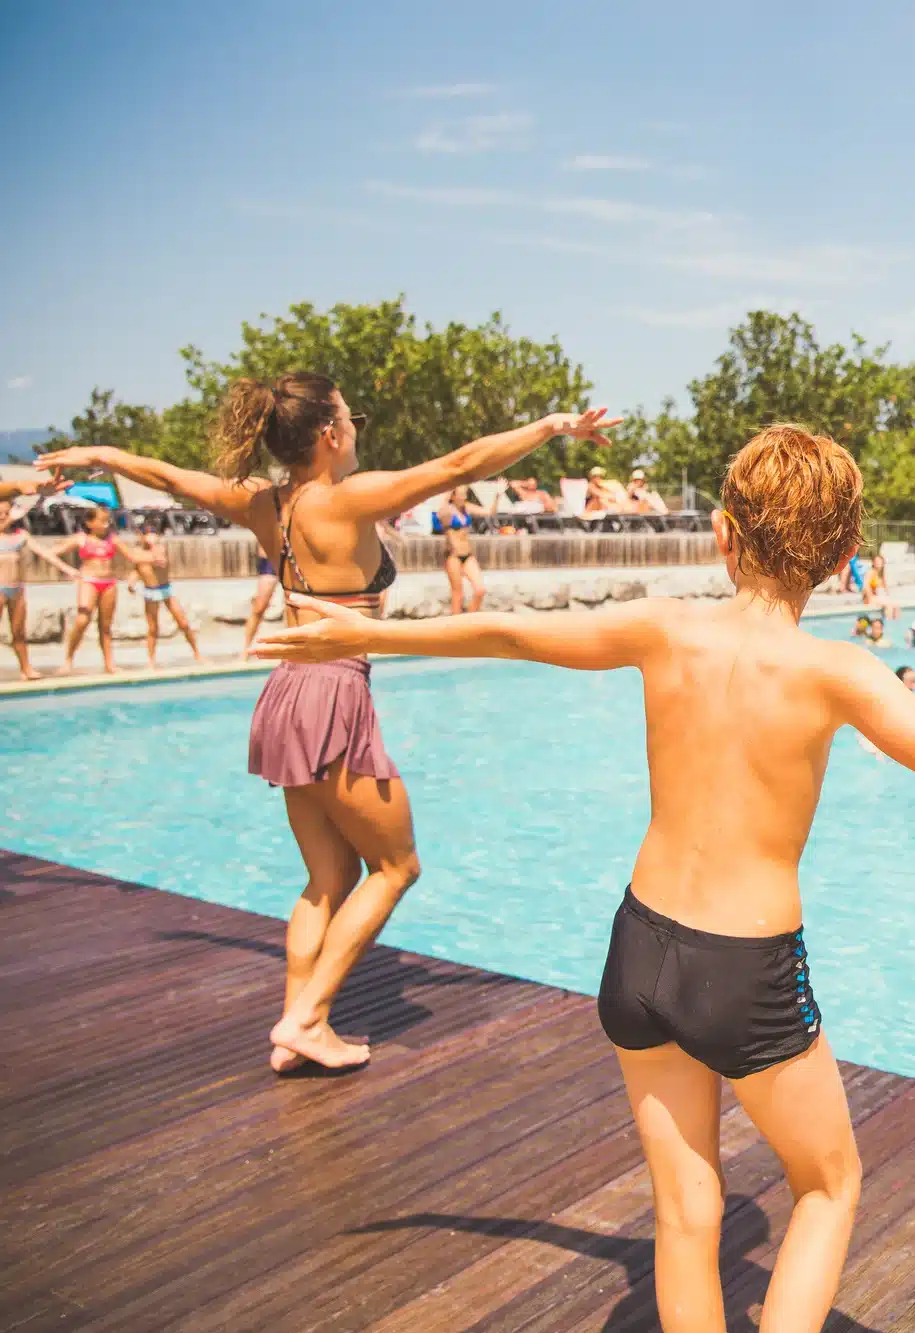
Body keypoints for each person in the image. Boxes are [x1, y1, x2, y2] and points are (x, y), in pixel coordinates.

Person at [247, 423, 915, 1333]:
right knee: (826, 1185)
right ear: (844, 555)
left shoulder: (665, 628)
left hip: (637, 949)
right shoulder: (834, 672)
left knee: (684, 1211)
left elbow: (507, 631)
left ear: (722, 535)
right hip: (746, 969)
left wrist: (360, 630)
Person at [39, 376, 620, 1071]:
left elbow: (172, 477)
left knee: (328, 875)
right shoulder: (346, 499)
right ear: (329, 434)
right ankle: (309, 1017)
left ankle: (296, 1023)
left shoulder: (264, 503)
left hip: (284, 694)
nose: (357, 428)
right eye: (353, 417)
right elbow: (459, 467)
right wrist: (552, 426)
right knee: (397, 865)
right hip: (334, 694)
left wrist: (103, 453)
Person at [47, 506, 140, 674]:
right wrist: (67, 569)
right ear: (90, 523)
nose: (106, 524)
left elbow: (132, 556)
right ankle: (68, 660)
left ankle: (109, 664)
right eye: (102, 521)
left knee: (105, 626)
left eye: (107, 521)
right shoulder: (81, 539)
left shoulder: (113, 539)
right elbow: (51, 553)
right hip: (89, 581)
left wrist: (148, 560)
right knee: (82, 619)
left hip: (109, 583)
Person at [2, 483, 78, 679]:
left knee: (19, 632)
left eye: (5, 513)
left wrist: (67, 568)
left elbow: (45, 554)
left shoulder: (20, 536)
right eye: (0, 514)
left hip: (17, 589)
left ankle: (26, 669)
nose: (3, 517)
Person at [128, 523, 205, 668]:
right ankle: (151, 661)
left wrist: (151, 547)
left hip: (165, 589)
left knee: (183, 623)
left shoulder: (159, 548)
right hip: (150, 591)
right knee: (153, 628)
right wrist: (131, 583)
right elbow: (137, 570)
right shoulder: (137, 552)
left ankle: (197, 654)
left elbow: (160, 561)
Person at [433, 485, 489, 614]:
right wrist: (448, 489)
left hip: (468, 554)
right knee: (458, 594)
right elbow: (440, 512)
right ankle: (456, 626)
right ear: (453, 496)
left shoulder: (467, 508)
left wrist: (498, 496)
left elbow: (489, 512)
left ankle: (469, 619)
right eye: (461, 494)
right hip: (453, 555)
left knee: (480, 590)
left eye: (465, 494)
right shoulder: (448, 511)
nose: (464, 497)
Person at [862, 553, 900, 621]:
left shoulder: (881, 574)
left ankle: (895, 623)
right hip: (869, 598)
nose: (878, 563)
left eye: (879, 561)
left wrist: (889, 597)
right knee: (889, 606)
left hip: (877, 597)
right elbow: (866, 587)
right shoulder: (870, 572)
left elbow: (885, 588)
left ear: (883, 563)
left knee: (896, 606)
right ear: (873, 563)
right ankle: (888, 622)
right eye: (876, 561)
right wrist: (871, 598)